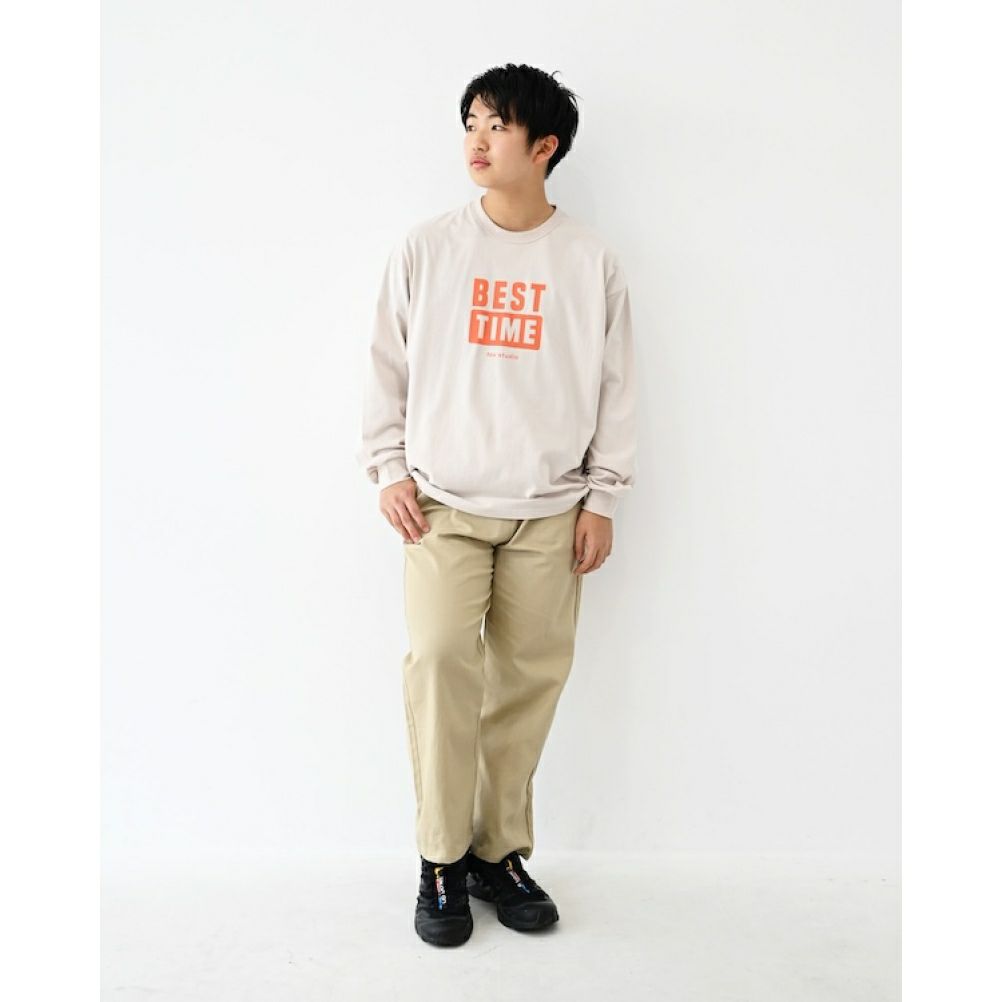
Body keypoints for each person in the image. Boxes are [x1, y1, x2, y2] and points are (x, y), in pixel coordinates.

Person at [355, 62, 638, 947]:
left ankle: (497, 851)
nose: (476, 140)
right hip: (442, 504)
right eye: (470, 122)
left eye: (497, 126)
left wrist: (603, 496)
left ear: (544, 146)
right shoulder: (429, 247)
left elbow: (617, 383)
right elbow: (386, 363)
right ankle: (440, 858)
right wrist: (388, 467)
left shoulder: (588, 260)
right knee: (441, 663)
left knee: (527, 682)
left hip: (551, 509)